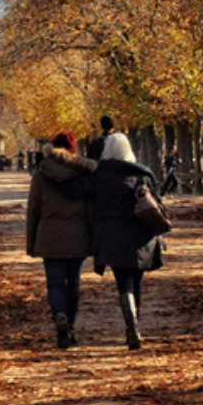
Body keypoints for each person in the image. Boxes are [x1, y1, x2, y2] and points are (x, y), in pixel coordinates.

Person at [56, 132, 163, 350]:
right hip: (141, 235)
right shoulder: (142, 173)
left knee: (124, 283)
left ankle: (131, 326)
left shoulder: (101, 175)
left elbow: (73, 191)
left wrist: (57, 171)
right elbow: (157, 202)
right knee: (137, 281)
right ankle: (134, 326)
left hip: (114, 236)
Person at [26, 132, 97, 349]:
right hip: (78, 235)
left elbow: (33, 210)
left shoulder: (41, 174)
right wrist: (95, 239)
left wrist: (31, 242)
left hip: (50, 235)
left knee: (55, 283)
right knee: (73, 284)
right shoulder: (84, 173)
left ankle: (59, 316)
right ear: (74, 150)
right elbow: (92, 209)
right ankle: (71, 326)